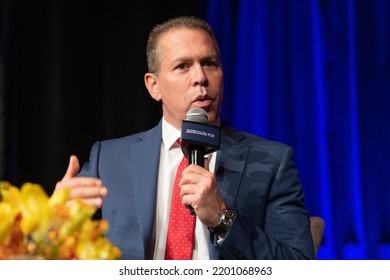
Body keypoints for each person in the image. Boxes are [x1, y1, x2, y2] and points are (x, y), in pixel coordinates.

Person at [55, 16, 315, 260]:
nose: (201, 78)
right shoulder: (110, 160)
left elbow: (298, 263)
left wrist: (222, 218)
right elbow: (54, 252)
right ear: (153, 86)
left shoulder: (272, 161)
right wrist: (55, 218)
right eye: (183, 66)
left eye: (210, 63)